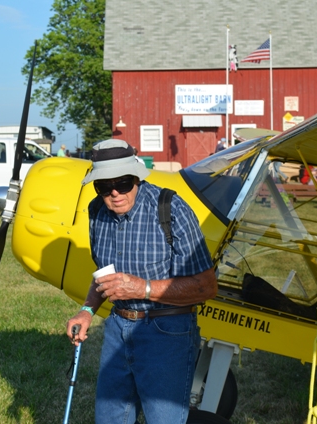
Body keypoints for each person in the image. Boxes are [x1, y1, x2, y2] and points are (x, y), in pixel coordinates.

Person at [66, 139, 217, 424]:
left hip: (167, 330)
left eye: (122, 183)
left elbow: (206, 286)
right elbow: (104, 275)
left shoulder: (171, 208)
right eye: (103, 186)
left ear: (136, 177)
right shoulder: (97, 211)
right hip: (117, 328)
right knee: (110, 419)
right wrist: (86, 310)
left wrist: (143, 288)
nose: (114, 193)